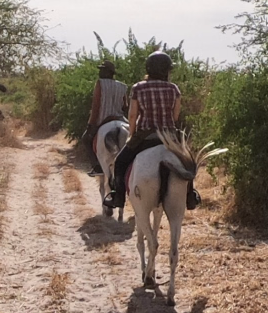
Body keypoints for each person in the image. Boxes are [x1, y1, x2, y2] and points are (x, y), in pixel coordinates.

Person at [109, 51, 198, 209]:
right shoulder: (174, 89)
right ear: (165, 71)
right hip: (169, 137)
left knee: (120, 162)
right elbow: (176, 116)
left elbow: (132, 115)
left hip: (145, 136)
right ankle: (191, 196)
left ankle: (118, 197)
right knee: (187, 162)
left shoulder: (138, 88)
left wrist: (132, 134)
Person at [81, 61, 130, 172]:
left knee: (85, 140)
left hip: (103, 119)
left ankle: (97, 167)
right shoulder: (123, 86)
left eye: (102, 70)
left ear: (109, 72)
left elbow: (96, 105)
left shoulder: (100, 83)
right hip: (120, 119)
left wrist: (91, 124)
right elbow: (125, 106)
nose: (100, 72)